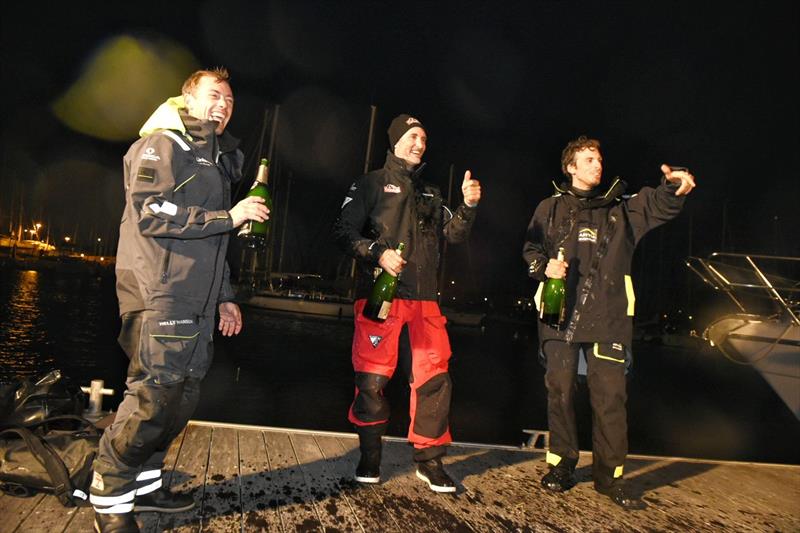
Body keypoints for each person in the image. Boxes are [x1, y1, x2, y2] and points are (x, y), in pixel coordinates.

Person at [90, 68, 270, 533]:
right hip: (160, 293)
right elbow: (150, 209)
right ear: (188, 98)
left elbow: (214, 242)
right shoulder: (163, 144)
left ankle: (146, 486)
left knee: (180, 400)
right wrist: (227, 215)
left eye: (230, 99)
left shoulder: (211, 158)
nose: (224, 105)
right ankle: (108, 499)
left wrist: (226, 297)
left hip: (199, 301)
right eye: (214, 94)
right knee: (151, 396)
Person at [522, 136, 696, 509]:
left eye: (598, 159)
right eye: (587, 159)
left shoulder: (622, 209)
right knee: (560, 394)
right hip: (558, 318)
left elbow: (660, 205)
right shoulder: (548, 208)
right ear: (570, 166)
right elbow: (530, 250)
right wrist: (543, 267)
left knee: (611, 400)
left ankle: (609, 477)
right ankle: (562, 465)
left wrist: (674, 188)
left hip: (610, 319)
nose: (596, 165)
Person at [333, 114, 481, 492]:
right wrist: (376, 253)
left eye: (424, 138)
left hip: (425, 302)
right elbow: (343, 231)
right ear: (396, 141)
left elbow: (455, 234)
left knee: (435, 380)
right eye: (413, 136)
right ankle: (370, 457)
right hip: (381, 294)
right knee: (372, 379)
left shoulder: (431, 192)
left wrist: (467, 206)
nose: (419, 143)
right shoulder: (370, 183)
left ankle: (429, 461)